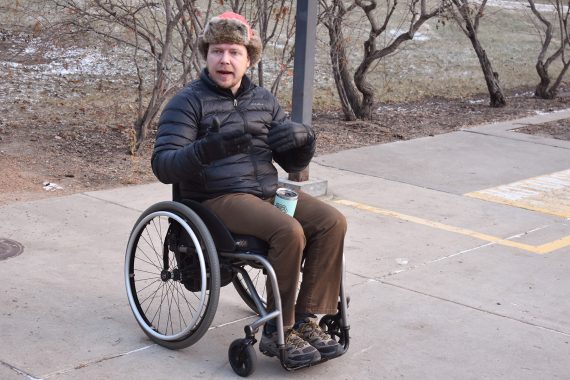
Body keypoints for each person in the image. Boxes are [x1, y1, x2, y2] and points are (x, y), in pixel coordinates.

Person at [151, 11, 347, 367]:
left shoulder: (263, 100)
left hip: (264, 193)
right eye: (217, 51)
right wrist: (210, 148)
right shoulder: (188, 102)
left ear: (249, 59)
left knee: (332, 221)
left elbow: (292, 164)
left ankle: (307, 317)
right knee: (288, 230)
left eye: (234, 52)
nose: (225, 59)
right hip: (215, 198)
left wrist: (304, 142)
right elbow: (163, 165)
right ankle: (279, 328)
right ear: (206, 55)